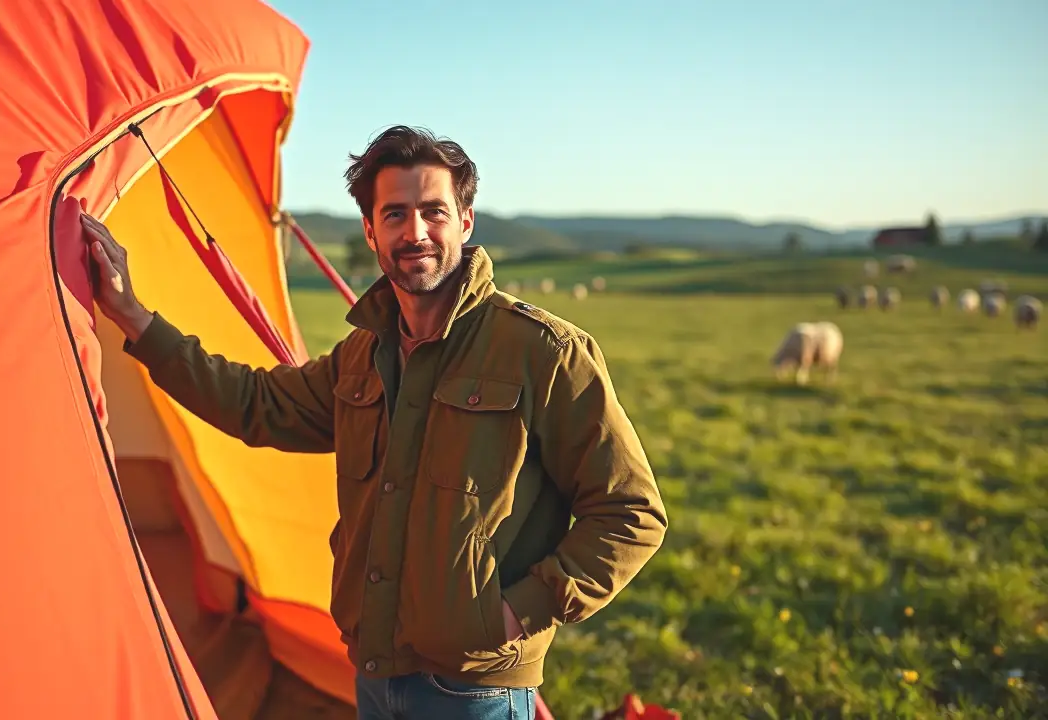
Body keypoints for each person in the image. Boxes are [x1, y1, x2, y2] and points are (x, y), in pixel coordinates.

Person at [81, 125, 668, 720]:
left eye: (434, 211)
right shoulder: (362, 355)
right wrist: (133, 317)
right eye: (395, 214)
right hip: (373, 671)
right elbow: (256, 403)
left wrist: (514, 613)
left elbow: (632, 513)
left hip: (474, 690)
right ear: (370, 231)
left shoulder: (544, 352)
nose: (415, 232)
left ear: (465, 222)